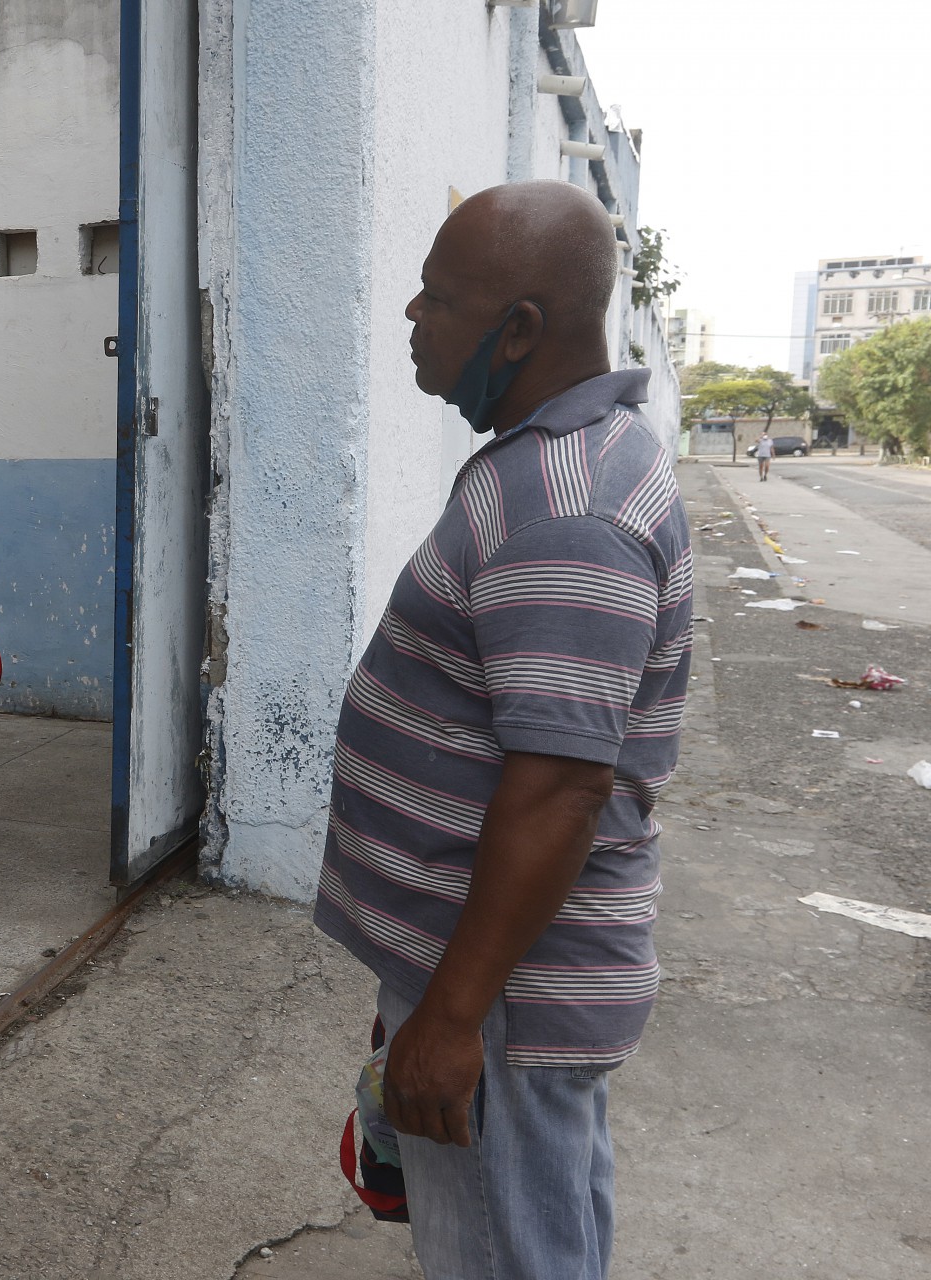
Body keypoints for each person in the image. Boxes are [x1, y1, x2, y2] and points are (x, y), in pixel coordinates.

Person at [316, 181, 692, 1280]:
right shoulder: (557, 460)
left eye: (438, 298)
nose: (411, 318)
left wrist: (451, 1014)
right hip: (488, 962)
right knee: (544, 1227)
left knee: (508, 1253)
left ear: (518, 329)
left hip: (507, 987)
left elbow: (560, 791)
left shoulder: (567, 507)